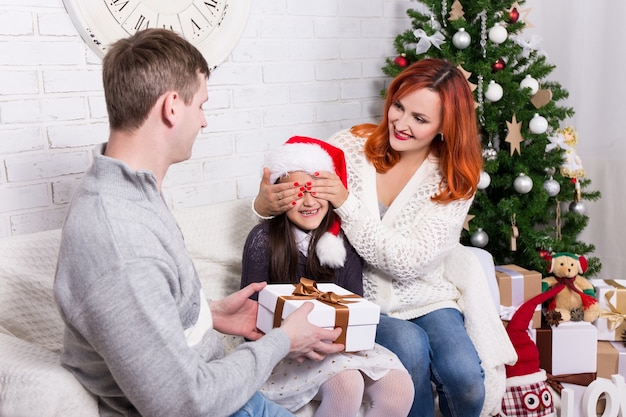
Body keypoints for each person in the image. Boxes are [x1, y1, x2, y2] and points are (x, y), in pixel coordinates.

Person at [53, 28, 345, 417]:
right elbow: (184, 402)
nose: (204, 122)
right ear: (172, 107)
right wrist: (282, 340)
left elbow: (144, 307)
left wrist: (207, 313)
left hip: (231, 395)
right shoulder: (121, 238)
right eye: (201, 105)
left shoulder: (130, 192)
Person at [251, 58, 517, 417]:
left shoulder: (456, 179)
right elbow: (302, 202)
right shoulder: (348, 146)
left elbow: (408, 263)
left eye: (420, 119)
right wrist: (264, 203)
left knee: (467, 379)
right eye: (399, 106)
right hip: (358, 296)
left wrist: (346, 203)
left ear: (445, 126)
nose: (401, 123)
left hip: (427, 296)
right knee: (409, 348)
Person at [241, 136, 414, 417]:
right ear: (280, 196)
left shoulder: (343, 242)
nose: (308, 201)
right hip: (284, 350)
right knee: (345, 383)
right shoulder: (263, 240)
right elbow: (253, 317)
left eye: (315, 190)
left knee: (398, 386)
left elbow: (353, 307)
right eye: (297, 192)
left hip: (338, 346)